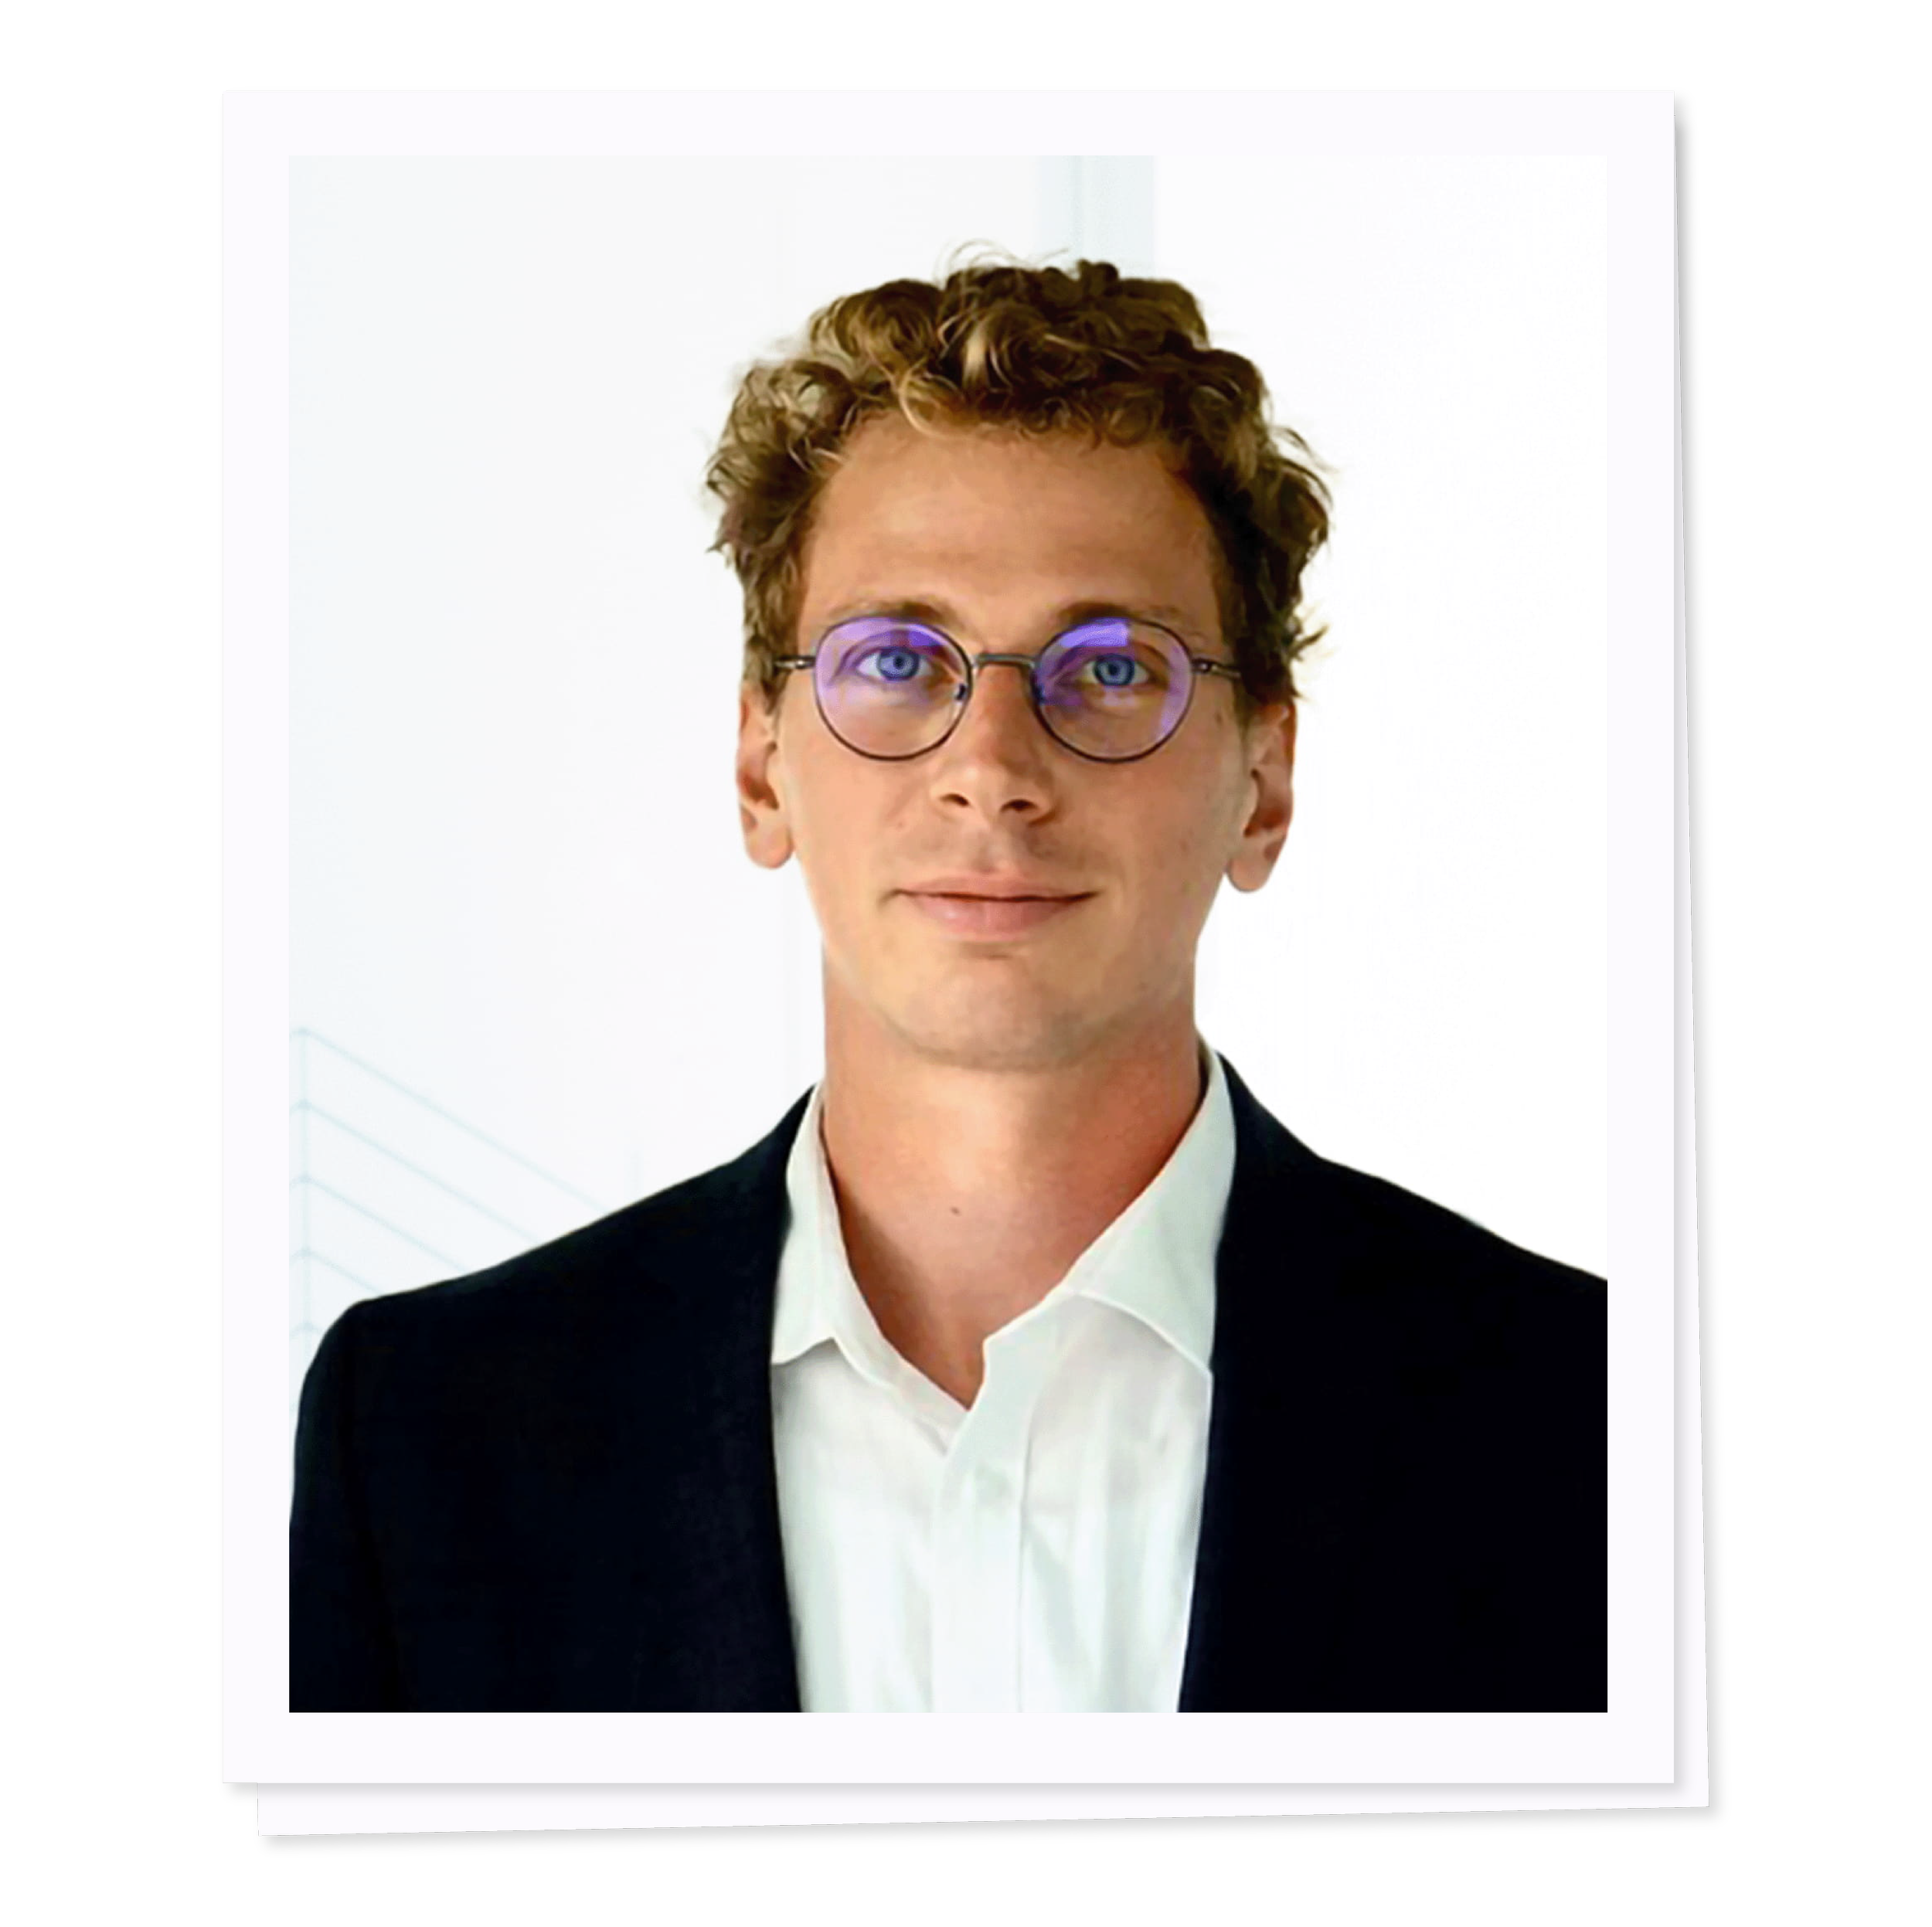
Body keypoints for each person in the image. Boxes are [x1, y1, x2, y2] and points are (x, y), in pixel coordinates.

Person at [291, 258, 1605, 1714]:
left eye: (1110, 668)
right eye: (899, 658)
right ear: (759, 763)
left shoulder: (1598, 1418)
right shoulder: (423, 1436)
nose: (992, 767)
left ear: (1264, 778)